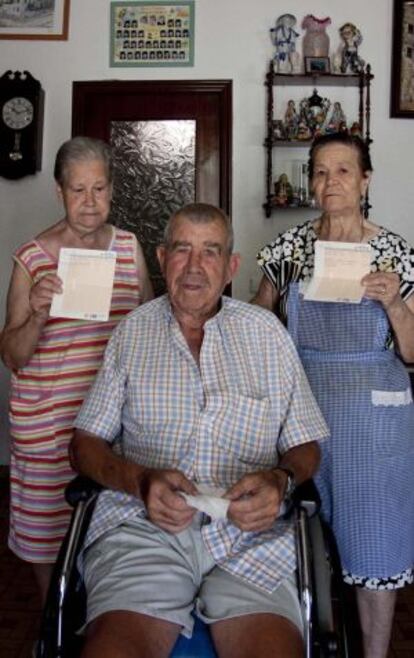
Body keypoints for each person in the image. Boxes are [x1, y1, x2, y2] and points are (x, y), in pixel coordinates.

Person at [70, 203, 328, 658]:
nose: (194, 266)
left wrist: (280, 480)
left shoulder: (267, 334)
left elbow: (306, 444)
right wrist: (139, 481)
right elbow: (84, 446)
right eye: (182, 249)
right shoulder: (132, 334)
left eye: (210, 251)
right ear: (162, 256)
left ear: (231, 266)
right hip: (144, 529)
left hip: (252, 538)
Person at [253, 131, 414, 658]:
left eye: (343, 170)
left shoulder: (393, 251)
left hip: (374, 421)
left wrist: (395, 305)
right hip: (302, 409)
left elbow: (412, 351)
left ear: (365, 178)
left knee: (374, 539)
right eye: (320, 171)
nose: (330, 182)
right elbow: (259, 324)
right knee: (296, 534)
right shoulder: (289, 248)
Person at [0, 136, 153, 604]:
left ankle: (99, 621)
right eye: (78, 189)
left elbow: (149, 327)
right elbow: (11, 354)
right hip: (50, 426)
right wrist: (39, 313)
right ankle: (55, 622)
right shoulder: (33, 257)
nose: (90, 202)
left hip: (113, 425)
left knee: (110, 530)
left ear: (112, 191)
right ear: (59, 193)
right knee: (46, 537)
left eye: (100, 189)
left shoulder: (128, 248)